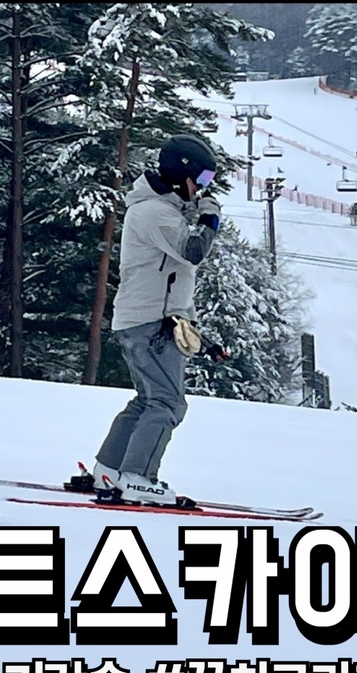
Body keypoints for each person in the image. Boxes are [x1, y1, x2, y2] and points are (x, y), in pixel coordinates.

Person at [91, 134, 227, 506]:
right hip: (151, 323)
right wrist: (210, 217)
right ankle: (138, 478)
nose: (202, 189)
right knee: (167, 403)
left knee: (148, 400)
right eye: (202, 180)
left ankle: (109, 469)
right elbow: (193, 251)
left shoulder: (159, 210)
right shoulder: (154, 212)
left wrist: (203, 339)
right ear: (181, 174)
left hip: (150, 320)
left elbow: (172, 280)